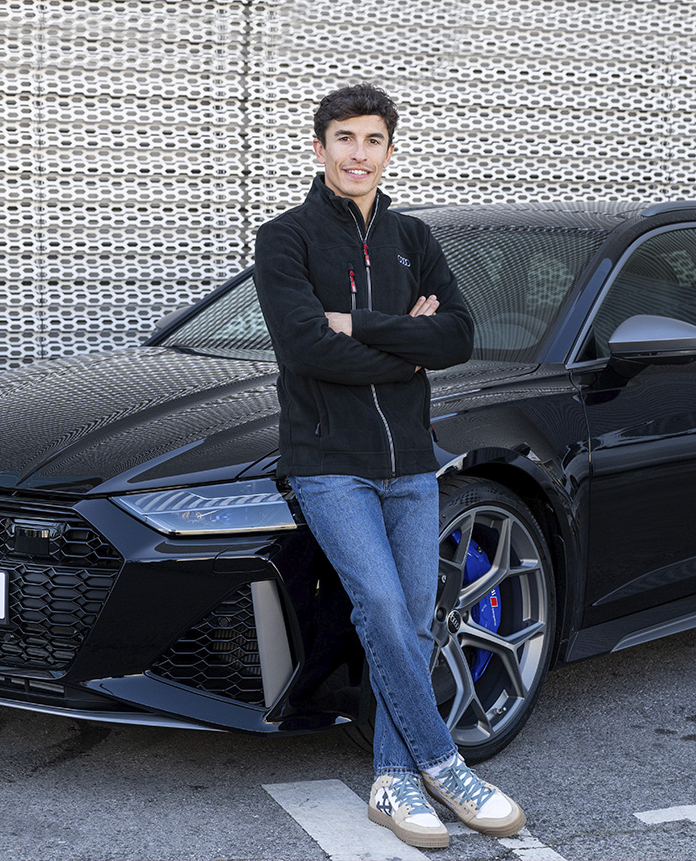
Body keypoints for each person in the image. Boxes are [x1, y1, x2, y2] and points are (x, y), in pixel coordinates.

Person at [252, 83, 526, 849]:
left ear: (389, 150)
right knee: (378, 606)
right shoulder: (285, 240)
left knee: (413, 619)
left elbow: (461, 337)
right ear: (319, 149)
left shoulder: (415, 238)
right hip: (328, 460)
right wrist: (403, 344)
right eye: (344, 139)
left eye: (373, 140)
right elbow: (306, 348)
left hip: (409, 462)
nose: (358, 154)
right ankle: (446, 765)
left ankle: (391, 782)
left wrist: (360, 326)